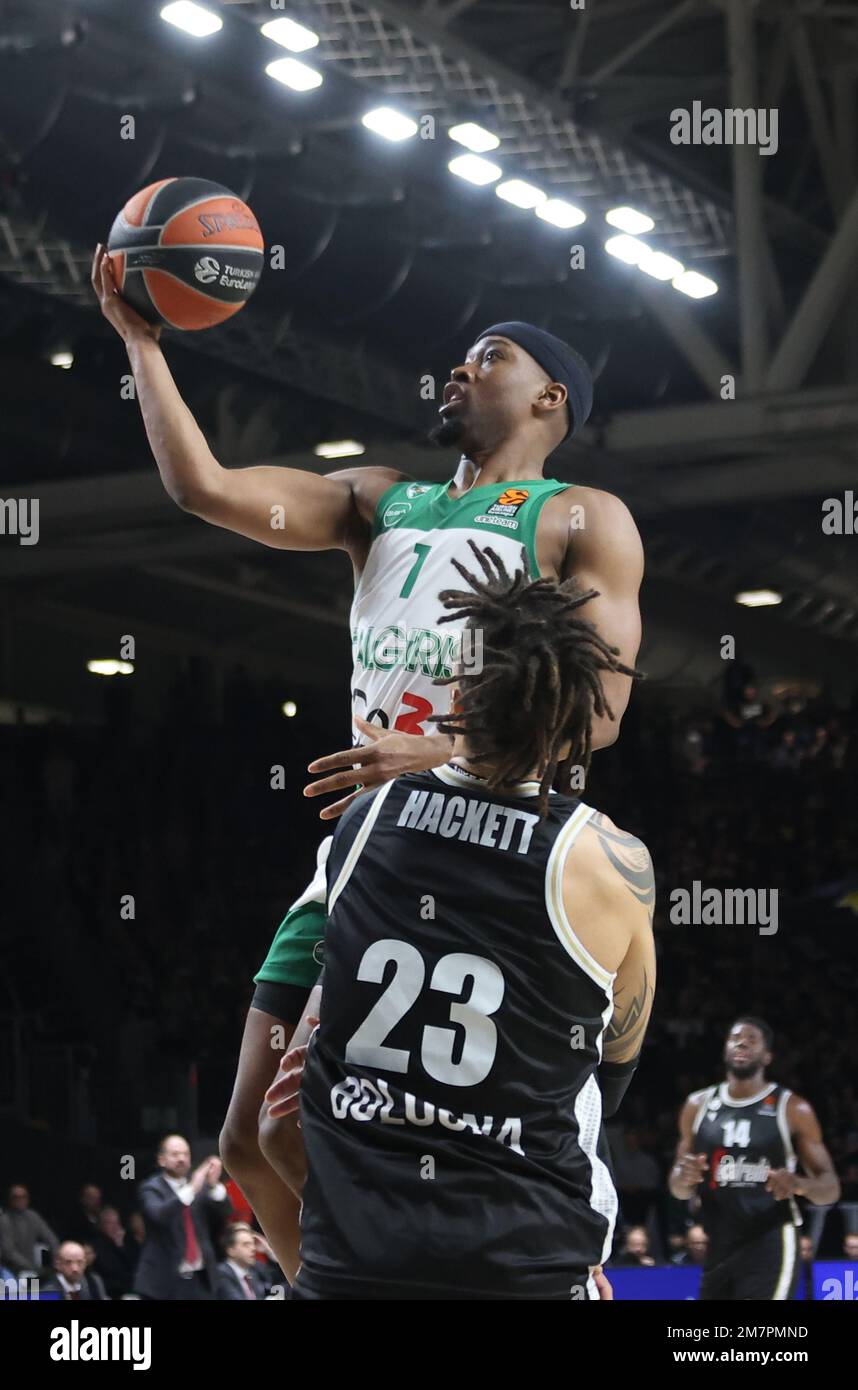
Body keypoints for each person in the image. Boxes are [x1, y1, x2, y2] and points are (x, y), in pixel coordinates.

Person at [92, 249, 644, 1277]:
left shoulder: (581, 516)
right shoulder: (381, 501)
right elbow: (204, 487)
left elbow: (600, 713)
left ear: (549, 396)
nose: (458, 368)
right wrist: (142, 344)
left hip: (497, 848)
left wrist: (435, 750)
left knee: (482, 1153)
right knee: (251, 1139)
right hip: (371, 844)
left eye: (488, 357)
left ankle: (568, 1269)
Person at [269, 546, 655, 1300]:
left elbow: (291, 1094)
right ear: (575, 710)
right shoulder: (612, 863)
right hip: (521, 1261)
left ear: (454, 689)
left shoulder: (365, 820)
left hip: (354, 1262)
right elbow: (614, 1065)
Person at [669, 1017, 841, 1300]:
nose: (742, 1043)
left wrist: (800, 1185)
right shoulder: (697, 1105)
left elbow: (830, 1189)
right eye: (735, 1038)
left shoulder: (792, 1108)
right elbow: (678, 1188)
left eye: (752, 1040)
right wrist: (684, 1177)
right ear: (725, 1049)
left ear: (767, 1056)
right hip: (720, 1242)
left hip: (770, 1241)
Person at [133, 1135, 229, 1301]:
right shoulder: (150, 1188)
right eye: (175, 1154)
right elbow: (159, 1215)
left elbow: (226, 1211)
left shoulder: (199, 1186)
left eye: (186, 1154)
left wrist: (213, 1184)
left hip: (200, 1279)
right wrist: (192, 1188)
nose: (182, 1159)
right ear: (161, 1160)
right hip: (163, 1282)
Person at [0, 1184, 58, 1274]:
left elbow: (51, 1239)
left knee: (39, 1284)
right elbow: (8, 1252)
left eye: (23, 1197)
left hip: (31, 1269)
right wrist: (31, 1267)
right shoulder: (3, 1220)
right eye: (16, 1197)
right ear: (10, 1200)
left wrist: (58, 1258)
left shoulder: (33, 1216)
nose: (20, 1200)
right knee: (13, 1286)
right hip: (8, 1271)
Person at [92, 1206, 139, 1300]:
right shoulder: (96, 1245)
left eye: (117, 1222)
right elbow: (109, 1274)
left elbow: (135, 1267)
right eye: (110, 1223)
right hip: (112, 1293)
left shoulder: (126, 1242)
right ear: (101, 1225)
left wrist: (120, 1246)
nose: (115, 1227)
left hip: (132, 1290)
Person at [42, 1240, 108, 1301]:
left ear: (85, 1264)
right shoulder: (48, 1292)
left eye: (79, 1262)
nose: (75, 1268)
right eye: (68, 1262)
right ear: (58, 1264)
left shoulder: (88, 1284)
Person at [214, 1224, 267, 1301]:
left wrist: (268, 1250)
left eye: (252, 1244)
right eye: (246, 1244)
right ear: (231, 1250)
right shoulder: (220, 1273)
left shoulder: (254, 1269)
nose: (253, 1248)